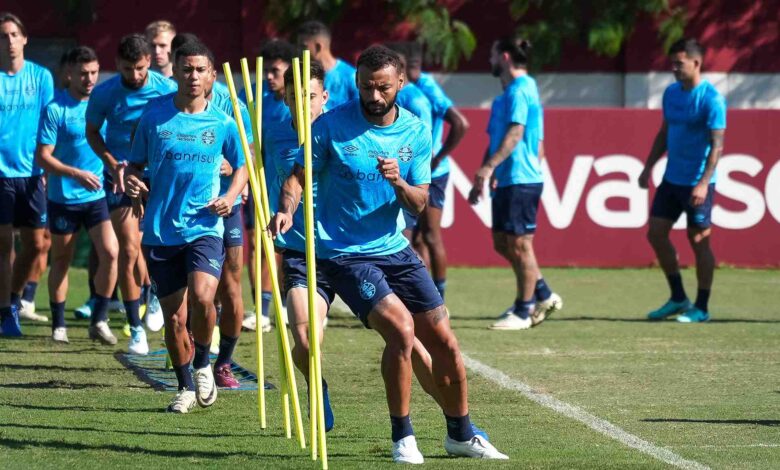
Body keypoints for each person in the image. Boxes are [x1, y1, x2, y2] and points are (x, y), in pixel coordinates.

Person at [270, 45, 506, 463]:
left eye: (382, 88)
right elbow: (296, 179)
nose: (374, 96)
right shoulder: (330, 126)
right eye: (365, 87)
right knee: (400, 329)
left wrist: (399, 182)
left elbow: (419, 203)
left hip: (394, 249)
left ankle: (461, 433)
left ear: (399, 84)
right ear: (357, 84)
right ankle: (403, 436)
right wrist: (286, 210)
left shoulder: (415, 131)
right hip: (344, 253)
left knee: (445, 342)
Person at [125, 40, 247, 413]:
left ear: (212, 76)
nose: (193, 76)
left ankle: (204, 362)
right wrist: (132, 182)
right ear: (175, 72)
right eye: (186, 69)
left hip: (205, 225)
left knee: (204, 298)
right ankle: (184, 386)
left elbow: (242, 165)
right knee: (175, 318)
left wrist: (231, 195)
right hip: (161, 229)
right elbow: (134, 166)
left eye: (200, 70)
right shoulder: (153, 117)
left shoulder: (224, 123)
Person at [85, 34, 176, 352]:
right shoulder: (106, 93)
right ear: (117, 65)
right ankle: (135, 328)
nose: (134, 76)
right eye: (127, 69)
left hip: (159, 176)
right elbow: (92, 132)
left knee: (159, 244)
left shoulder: (167, 90)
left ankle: (153, 294)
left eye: (139, 68)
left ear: (149, 62)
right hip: (122, 178)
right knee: (128, 248)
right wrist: (111, 164)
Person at [468, 37, 562, 331]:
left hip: (522, 178)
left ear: (505, 57)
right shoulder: (504, 97)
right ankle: (543, 293)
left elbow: (517, 133)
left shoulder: (522, 90)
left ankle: (524, 310)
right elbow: (497, 139)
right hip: (507, 179)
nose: (489, 61)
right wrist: (484, 173)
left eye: (493, 55)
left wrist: (489, 167)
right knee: (502, 243)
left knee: (520, 245)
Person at [266, 59, 335, 430]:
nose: (303, 103)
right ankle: (316, 386)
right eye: (295, 96)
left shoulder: (340, 130)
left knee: (405, 335)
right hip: (298, 250)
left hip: (347, 249)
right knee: (307, 340)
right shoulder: (273, 134)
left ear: (324, 97)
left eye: (310, 96)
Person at [36, 46, 119, 345]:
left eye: (94, 73)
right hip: (63, 199)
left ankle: (99, 318)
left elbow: (112, 142)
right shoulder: (55, 108)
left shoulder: (103, 105)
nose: (89, 79)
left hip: (96, 198)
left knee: (111, 253)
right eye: (83, 73)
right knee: (61, 260)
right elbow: (44, 157)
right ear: (70, 73)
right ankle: (59, 325)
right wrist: (76, 174)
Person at [639, 38, 725, 323]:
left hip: (697, 182)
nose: (674, 68)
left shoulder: (711, 99)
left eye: (679, 63)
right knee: (655, 232)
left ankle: (701, 306)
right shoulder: (671, 93)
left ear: (696, 63)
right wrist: (648, 166)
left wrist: (703, 182)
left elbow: (717, 145)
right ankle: (678, 297)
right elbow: (664, 133)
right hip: (672, 180)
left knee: (698, 240)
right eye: (672, 63)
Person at [0, 12, 54, 336]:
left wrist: (49, 165)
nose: (8, 41)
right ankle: (6, 313)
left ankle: (14, 299)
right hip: (1, 174)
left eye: (13, 35)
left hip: (33, 173)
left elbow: (50, 124)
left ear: (24, 39)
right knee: (4, 243)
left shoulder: (42, 77)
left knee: (36, 245)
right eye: (3, 36)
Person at [238, 39, 297, 332]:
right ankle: (261, 309)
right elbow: (241, 135)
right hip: (260, 181)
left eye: (275, 71)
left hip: (294, 184)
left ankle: (291, 303)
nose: (269, 77)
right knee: (259, 244)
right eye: (267, 72)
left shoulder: (299, 100)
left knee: (288, 247)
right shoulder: (251, 96)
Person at [403, 42, 470, 300]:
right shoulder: (410, 88)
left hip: (434, 172)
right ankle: (422, 296)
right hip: (419, 171)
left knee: (430, 236)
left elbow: (460, 123)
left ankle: (439, 299)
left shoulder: (426, 89)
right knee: (417, 239)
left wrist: (437, 159)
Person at [296, 20, 358, 109]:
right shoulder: (302, 76)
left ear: (318, 47)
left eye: (303, 47)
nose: (299, 51)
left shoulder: (350, 76)